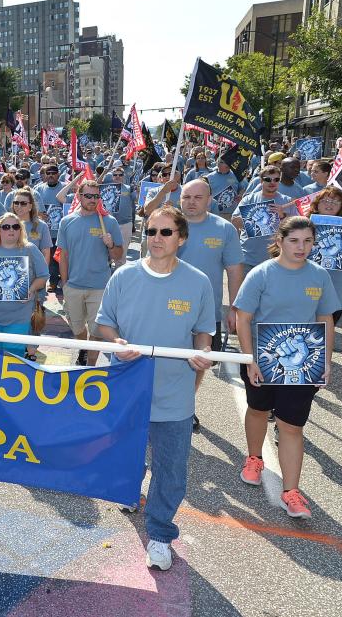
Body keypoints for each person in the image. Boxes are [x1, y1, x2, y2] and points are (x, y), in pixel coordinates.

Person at [95, 206, 215, 571]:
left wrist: (204, 353)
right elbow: (104, 325)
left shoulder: (198, 282)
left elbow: (203, 333)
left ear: (181, 238)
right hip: (128, 390)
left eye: (165, 232)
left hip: (174, 395)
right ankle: (131, 491)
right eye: (151, 232)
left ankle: (160, 534)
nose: (157, 239)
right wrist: (118, 342)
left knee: (171, 470)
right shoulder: (123, 276)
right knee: (130, 456)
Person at [234, 216, 338, 519]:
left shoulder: (319, 276)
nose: (301, 247)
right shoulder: (261, 274)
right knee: (258, 410)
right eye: (294, 240)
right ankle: (254, 458)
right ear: (280, 241)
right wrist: (249, 358)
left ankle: (291, 492)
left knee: (292, 425)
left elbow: (325, 319)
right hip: (262, 361)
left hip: (303, 366)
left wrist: (326, 361)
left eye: (307, 241)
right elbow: (243, 317)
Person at [177, 179, 244, 428]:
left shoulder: (224, 229)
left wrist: (235, 308)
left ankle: (185, 405)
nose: (191, 202)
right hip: (167, 310)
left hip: (206, 312)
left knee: (198, 362)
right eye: (186, 197)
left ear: (209, 200)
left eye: (197, 197)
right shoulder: (170, 224)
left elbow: (235, 270)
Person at [57, 181, 124, 366]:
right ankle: (84, 349)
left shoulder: (108, 221)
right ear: (79, 196)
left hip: (100, 287)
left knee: (97, 331)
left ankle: (89, 366)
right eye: (88, 196)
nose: (93, 200)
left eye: (96, 196)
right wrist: (65, 283)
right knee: (78, 328)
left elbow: (119, 256)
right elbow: (64, 255)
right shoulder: (67, 221)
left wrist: (110, 244)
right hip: (74, 287)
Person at [0, 212, 49, 359]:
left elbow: (44, 276)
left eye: (15, 226)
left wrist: (31, 289)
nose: (11, 230)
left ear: (20, 230)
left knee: (13, 356)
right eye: (6, 227)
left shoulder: (30, 249)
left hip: (19, 315)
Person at [300, 187, 342, 324]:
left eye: (335, 202)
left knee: (327, 330)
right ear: (317, 203)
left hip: (337, 288)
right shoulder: (301, 224)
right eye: (326, 200)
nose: (329, 204)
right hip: (306, 284)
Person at [232, 165, 291, 272]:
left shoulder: (287, 201)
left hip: (277, 259)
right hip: (248, 258)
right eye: (268, 179)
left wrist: (283, 216)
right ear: (261, 181)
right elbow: (235, 222)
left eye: (276, 179)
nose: (272, 182)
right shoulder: (249, 199)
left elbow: (297, 229)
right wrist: (255, 219)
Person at [36, 165, 66, 291]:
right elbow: (32, 207)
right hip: (46, 231)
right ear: (44, 174)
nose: (51, 175)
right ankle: (52, 281)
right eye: (48, 173)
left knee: (63, 257)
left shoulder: (65, 188)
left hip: (63, 230)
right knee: (50, 257)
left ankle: (65, 280)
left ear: (58, 174)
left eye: (54, 173)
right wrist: (38, 213)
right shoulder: (38, 189)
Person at [10, 189, 52, 264]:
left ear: (30, 206)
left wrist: (43, 274)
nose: (19, 206)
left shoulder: (41, 226)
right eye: (16, 203)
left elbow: (46, 253)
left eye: (23, 203)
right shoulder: (6, 225)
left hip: (35, 272)